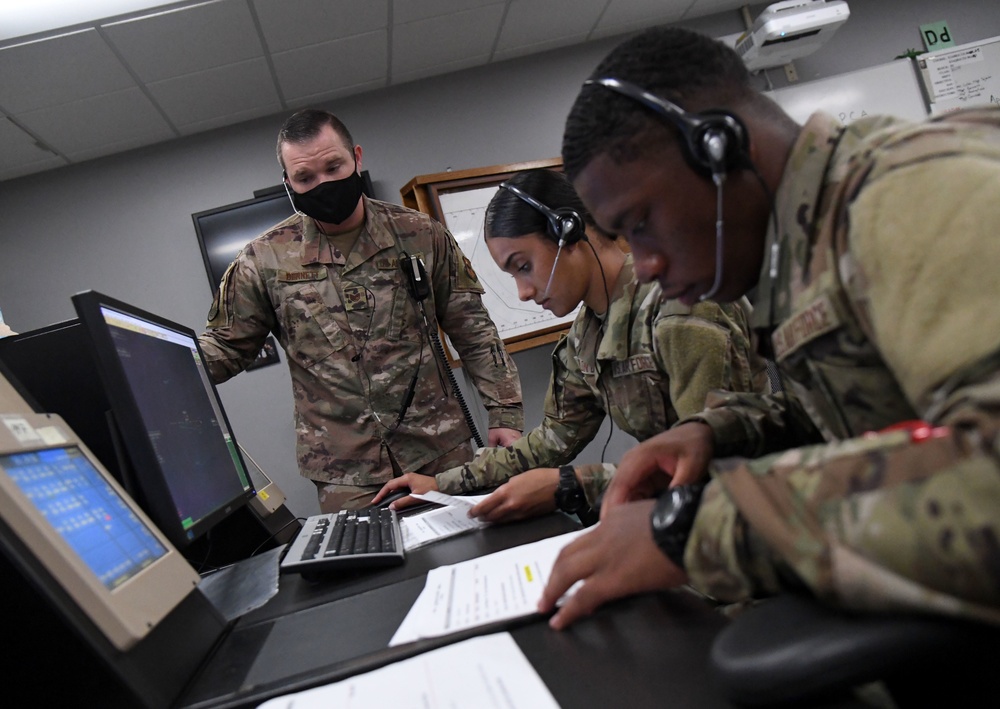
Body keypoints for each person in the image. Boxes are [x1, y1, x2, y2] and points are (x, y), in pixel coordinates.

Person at [538, 26, 1000, 630]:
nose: (644, 264)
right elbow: (880, 410)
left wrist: (689, 533)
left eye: (642, 221)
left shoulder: (906, 195)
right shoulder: (796, 248)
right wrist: (724, 431)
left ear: (719, 145)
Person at [373, 169, 767, 522]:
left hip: (752, 524)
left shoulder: (683, 309)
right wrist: (441, 484)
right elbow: (552, 441)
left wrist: (573, 484)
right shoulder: (589, 332)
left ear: (569, 232)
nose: (523, 293)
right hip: (684, 518)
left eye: (524, 266)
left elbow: (712, 462)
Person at [198, 109, 523, 512]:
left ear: (356, 157)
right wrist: (156, 366)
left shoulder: (419, 234)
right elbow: (226, 348)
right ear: (288, 183)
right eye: (305, 178)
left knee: (470, 556)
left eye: (333, 167)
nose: (323, 184)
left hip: (439, 448)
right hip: (346, 473)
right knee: (373, 571)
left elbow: (473, 329)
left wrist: (505, 413)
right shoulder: (264, 260)